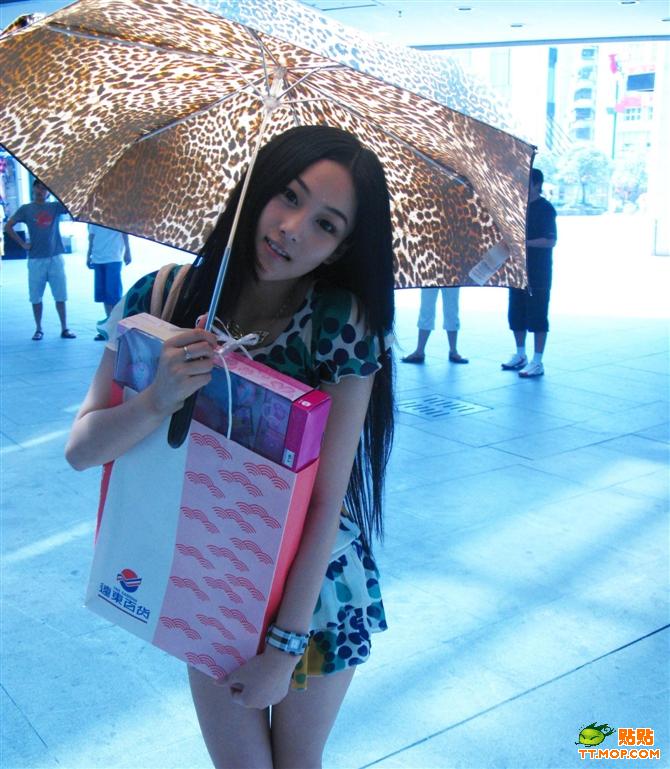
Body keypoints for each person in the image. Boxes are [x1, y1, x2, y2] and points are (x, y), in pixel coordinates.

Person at [65, 125, 395, 769]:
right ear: (256, 189)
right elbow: (82, 450)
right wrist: (156, 398)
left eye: (325, 225)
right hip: (213, 579)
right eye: (288, 196)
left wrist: (284, 649)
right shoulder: (161, 298)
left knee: (297, 763)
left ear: (341, 249)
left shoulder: (340, 325)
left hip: (314, 592)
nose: (293, 229)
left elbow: (327, 500)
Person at [501, 168, 557, 378]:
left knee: (538, 315)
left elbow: (550, 241)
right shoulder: (517, 206)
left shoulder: (546, 209)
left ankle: (537, 361)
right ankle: (520, 354)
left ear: (537, 184)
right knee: (516, 313)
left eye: (526, 182)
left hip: (539, 272)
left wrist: (523, 243)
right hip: (517, 270)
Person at [4, 179, 76, 340]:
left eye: (44, 188)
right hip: (36, 259)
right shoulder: (26, 209)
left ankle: (65, 328)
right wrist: (22, 243)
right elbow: (8, 227)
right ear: (33, 189)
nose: (40, 191)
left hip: (55, 257)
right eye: (38, 187)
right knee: (36, 296)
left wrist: (60, 189)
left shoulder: (55, 207)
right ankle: (38, 329)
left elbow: (71, 206)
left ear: (48, 192)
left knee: (61, 295)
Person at [86, 223, 131, 340]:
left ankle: (117, 328)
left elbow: (125, 232)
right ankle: (109, 326)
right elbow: (91, 236)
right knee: (104, 296)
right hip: (98, 258)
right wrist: (88, 254)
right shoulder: (93, 217)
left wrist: (128, 251)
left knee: (113, 295)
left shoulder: (116, 216)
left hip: (113, 257)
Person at [401, 286, 468, 364]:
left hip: (450, 278)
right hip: (430, 278)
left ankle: (453, 352)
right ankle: (420, 352)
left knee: (451, 310)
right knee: (427, 309)